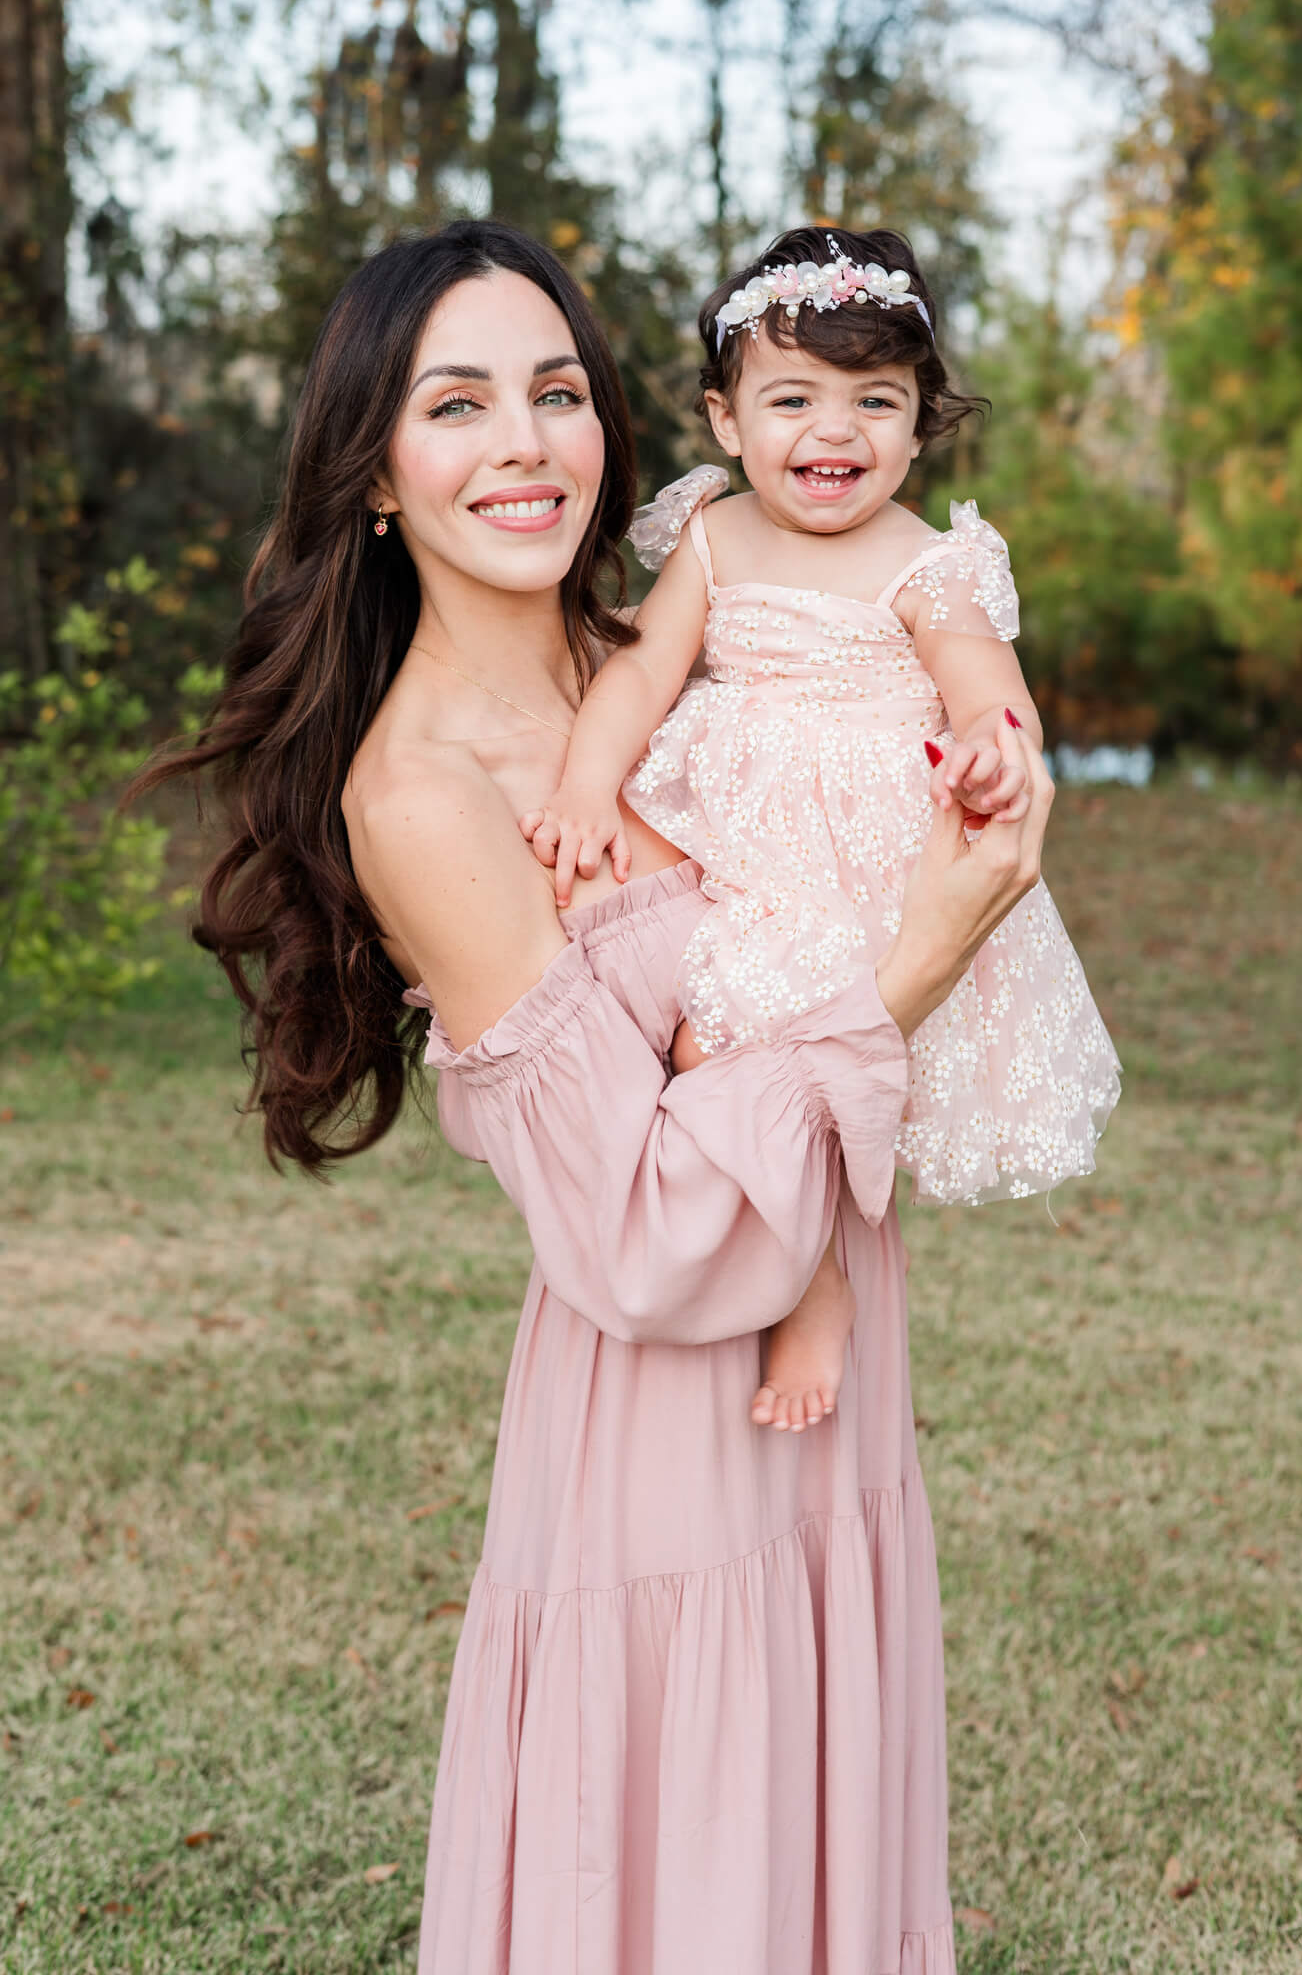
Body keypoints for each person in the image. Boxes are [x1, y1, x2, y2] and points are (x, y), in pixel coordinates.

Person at [136, 219, 1060, 1975]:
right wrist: (921, 961)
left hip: (830, 1370)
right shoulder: (423, 798)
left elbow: (904, 721)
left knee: (822, 1833)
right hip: (663, 1443)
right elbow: (634, 1241)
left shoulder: (681, 650)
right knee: (686, 1880)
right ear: (378, 475)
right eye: (457, 402)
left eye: (557, 391)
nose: (526, 442)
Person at [521, 225, 1121, 1436]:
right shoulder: (713, 531)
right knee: (690, 1047)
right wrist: (589, 782)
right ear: (729, 420)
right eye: (793, 398)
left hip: (864, 872)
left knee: (776, 1053)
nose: (834, 431)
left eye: (875, 401)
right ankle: (788, 1257)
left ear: (921, 421)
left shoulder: (931, 561)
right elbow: (639, 679)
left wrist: (994, 755)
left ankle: (815, 1276)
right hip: (731, 843)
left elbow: (989, 697)